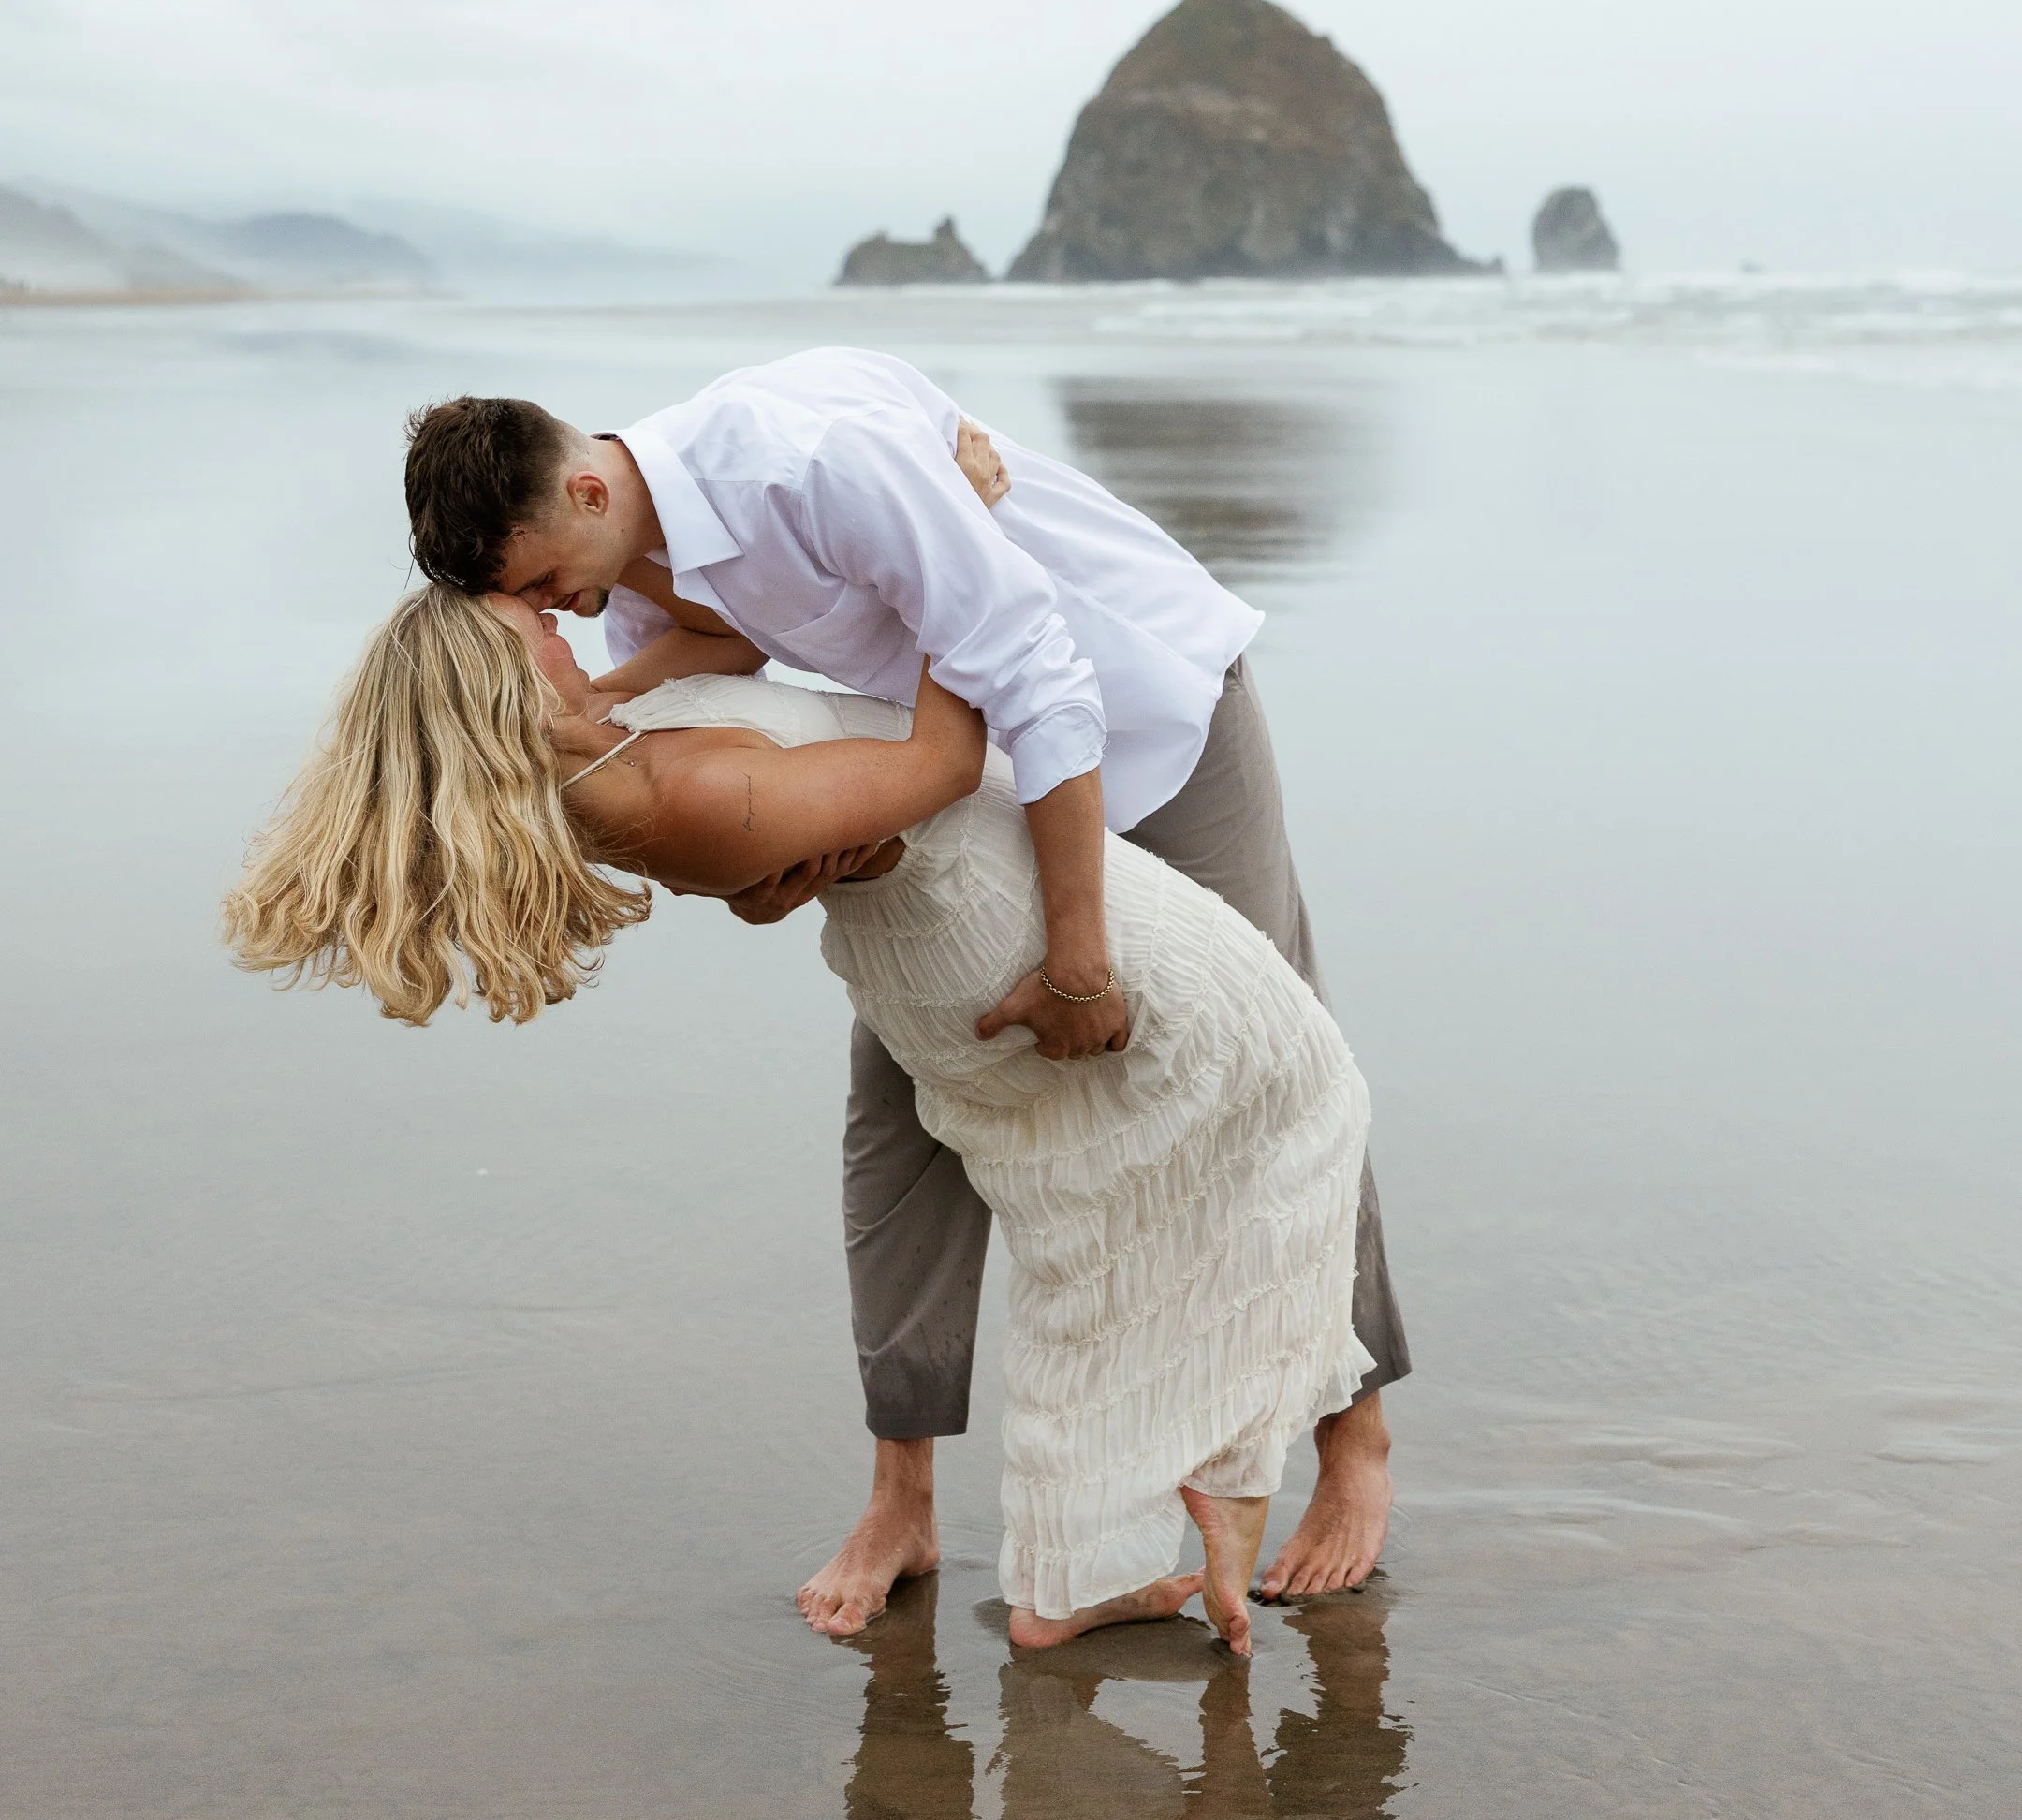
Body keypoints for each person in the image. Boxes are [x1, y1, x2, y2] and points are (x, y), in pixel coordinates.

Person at [396, 350, 1410, 1630]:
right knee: (902, 1117)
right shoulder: (630, 597)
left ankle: (1354, 1438)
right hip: (973, 796)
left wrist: (1080, 961)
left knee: (1277, 1070)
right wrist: (774, 876)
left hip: (1148, 719)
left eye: (544, 582)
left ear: (588, 490)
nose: (560, 615)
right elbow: (771, 767)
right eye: (526, 605)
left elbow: (1039, 675)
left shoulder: (807, 458)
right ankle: (903, 1496)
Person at [225, 587, 1373, 1651]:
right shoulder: (659, 785)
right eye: (521, 619)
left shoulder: (593, 737)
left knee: (1089, 1214)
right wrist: (949, 583)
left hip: (939, 935)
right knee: (1298, 1089)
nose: (545, 612)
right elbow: (938, 756)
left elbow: (728, 650)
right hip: (984, 910)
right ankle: (1222, 1486)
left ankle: (1071, 1582)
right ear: (495, 682)